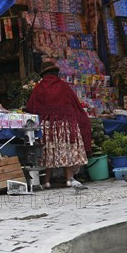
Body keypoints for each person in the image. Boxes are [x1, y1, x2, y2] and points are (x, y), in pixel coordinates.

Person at [26, 60, 92, 188]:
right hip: (65, 125)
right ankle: (68, 179)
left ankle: (46, 181)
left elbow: (31, 108)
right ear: (56, 73)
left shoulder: (39, 88)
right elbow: (75, 105)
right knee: (65, 149)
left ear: (44, 74)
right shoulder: (64, 86)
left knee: (49, 152)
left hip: (47, 126)